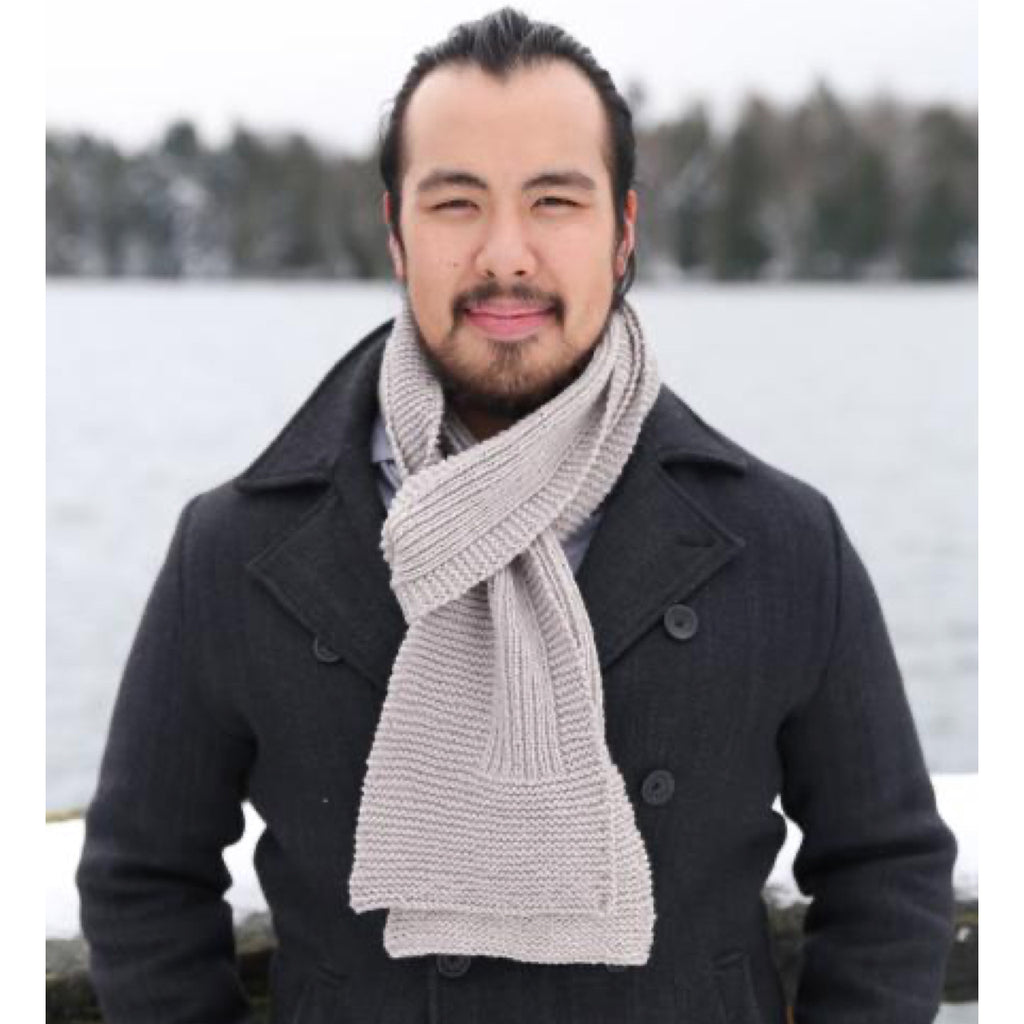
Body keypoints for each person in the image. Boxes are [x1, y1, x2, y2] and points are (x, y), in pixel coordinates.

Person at [76, 8, 958, 1023]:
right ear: (396, 232)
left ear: (622, 231)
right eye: (457, 203)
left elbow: (887, 871)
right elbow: (143, 879)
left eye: (554, 200)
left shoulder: (784, 544)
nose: (506, 254)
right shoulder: (235, 549)